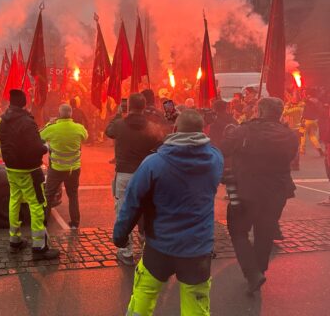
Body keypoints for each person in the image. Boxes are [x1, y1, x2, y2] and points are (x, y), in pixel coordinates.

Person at [113, 110, 223, 315]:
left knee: (143, 297)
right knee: (196, 306)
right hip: (197, 248)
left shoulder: (154, 163)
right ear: (204, 130)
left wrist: (120, 236)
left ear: (173, 130)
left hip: (160, 245)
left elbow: (132, 202)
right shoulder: (215, 159)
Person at [221, 97, 298, 294]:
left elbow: (224, 148)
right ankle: (259, 271)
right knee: (265, 232)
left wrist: (231, 133)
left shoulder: (245, 130)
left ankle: (253, 273)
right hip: (277, 192)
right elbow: (290, 157)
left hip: (246, 190)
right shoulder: (289, 135)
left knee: (238, 231)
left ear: (261, 111)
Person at [0, 89, 59, 260]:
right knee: (37, 205)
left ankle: (14, 240)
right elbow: (35, 146)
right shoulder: (27, 121)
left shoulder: (4, 120)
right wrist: (45, 147)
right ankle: (39, 247)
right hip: (29, 170)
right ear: (24, 102)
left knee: (14, 201)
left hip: (11, 168)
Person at [105, 93, 164, 266]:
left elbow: (108, 131)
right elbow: (161, 141)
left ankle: (126, 251)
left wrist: (117, 114)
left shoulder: (120, 124)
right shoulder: (151, 126)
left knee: (123, 210)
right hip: (145, 172)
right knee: (147, 208)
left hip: (124, 173)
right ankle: (147, 243)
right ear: (144, 106)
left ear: (129, 106)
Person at [40, 103, 88, 229]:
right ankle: (75, 223)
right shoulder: (79, 127)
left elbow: (39, 136)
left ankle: (43, 221)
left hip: (56, 168)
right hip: (73, 168)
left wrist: (49, 124)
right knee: (73, 195)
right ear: (71, 114)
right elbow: (86, 137)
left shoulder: (53, 128)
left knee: (49, 195)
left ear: (59, 114)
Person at [300, 91, 325, 156]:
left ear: (310, 95)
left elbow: (302, 102)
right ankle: (319, 148)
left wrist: (303, 94)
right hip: (314, 121)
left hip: (306, 121)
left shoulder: (307, 101)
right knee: (313, 136)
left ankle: (302, 150)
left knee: (303, 136)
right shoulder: (318, 102)